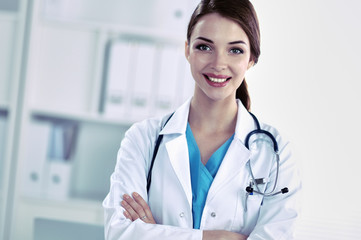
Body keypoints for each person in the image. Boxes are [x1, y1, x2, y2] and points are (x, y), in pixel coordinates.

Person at [103, 0, 301, 239]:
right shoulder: (143, 139)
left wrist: (154, 231)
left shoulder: (275, 153)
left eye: (235, 50)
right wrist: (219, 237)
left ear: (251, 59)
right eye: (204, 47)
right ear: (187, 49)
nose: (218, 64)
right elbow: (120, 233)